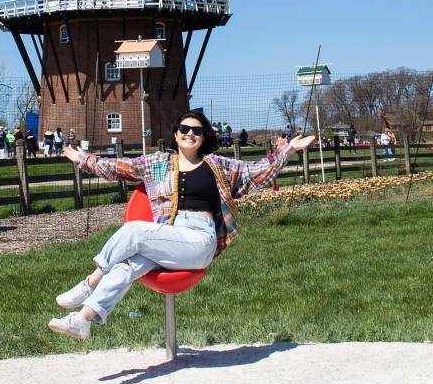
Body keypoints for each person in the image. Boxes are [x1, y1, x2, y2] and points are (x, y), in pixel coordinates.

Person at [47, 110, 315, 339]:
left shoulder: (217, 165)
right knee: (128, 265)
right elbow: (119, 167)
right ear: (175, 134)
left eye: (196, 131)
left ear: (203, 137)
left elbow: (257, 172)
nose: (190, 134)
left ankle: (90, 283)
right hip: (169, 235)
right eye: (184, 129)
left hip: (199, 240)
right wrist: (84, 160)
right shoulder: (158, 163)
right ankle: (84, 319)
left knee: (134, 230)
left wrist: (288, 149)